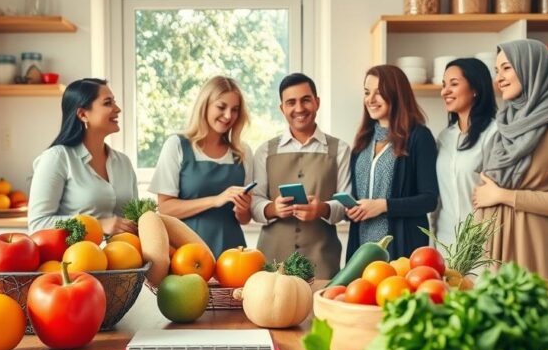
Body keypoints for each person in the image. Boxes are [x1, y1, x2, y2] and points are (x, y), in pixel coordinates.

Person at [474, 39, 548, 285]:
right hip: (495, 256)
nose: (499, 78)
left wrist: (504, 196)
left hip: (538, 254)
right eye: (497, 71)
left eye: (507, 68)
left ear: (533, 68)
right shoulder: (504, 124)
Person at [252, 73, 352, 279]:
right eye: (291, 102)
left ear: (317, 102)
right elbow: (254, 201)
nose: (299, 108)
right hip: (272, 260)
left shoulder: (340, 149)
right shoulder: (265, 151)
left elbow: (346, 203)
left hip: (322, 261)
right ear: (282, 108)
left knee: (320, 311)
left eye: (305, 100)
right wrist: (274, 208)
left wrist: (322, 208)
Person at [149, 76, 253, 257]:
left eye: (234, 110)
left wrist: (243, 209)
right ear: (204, 105)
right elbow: (165, 208)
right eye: (221, 107)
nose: (228, 116)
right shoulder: (177, 145)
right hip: (187, 251)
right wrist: (215, 200)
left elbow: (245, 219)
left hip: (233, 253)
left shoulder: (242, 152)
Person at [346, 65, 438, 261]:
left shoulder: (419, 137)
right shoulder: (363, 140)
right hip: (362, 249)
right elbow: (359, 195)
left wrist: (384, 206)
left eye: (379, 93)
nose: (370, 100)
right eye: (366, 92)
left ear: (397, 94)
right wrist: (352, 208)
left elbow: (429, 200)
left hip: (400, 249)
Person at [28, 78, 138, 234]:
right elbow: (38, 224)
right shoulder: (57, 158)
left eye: (115, 102)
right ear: (82, 114)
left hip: (124, 256)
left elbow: (134, 218)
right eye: (108, 103)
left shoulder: (124, 163)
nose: (118, 109)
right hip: (75, 257)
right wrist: (97, 225)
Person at [431, 58, 498, 246]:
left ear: (475, 88)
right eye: (444, 85)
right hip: (445, 242)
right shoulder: (444, 137)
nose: (445, 91)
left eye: (454, 84)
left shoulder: (495, 133)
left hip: (483, 243)